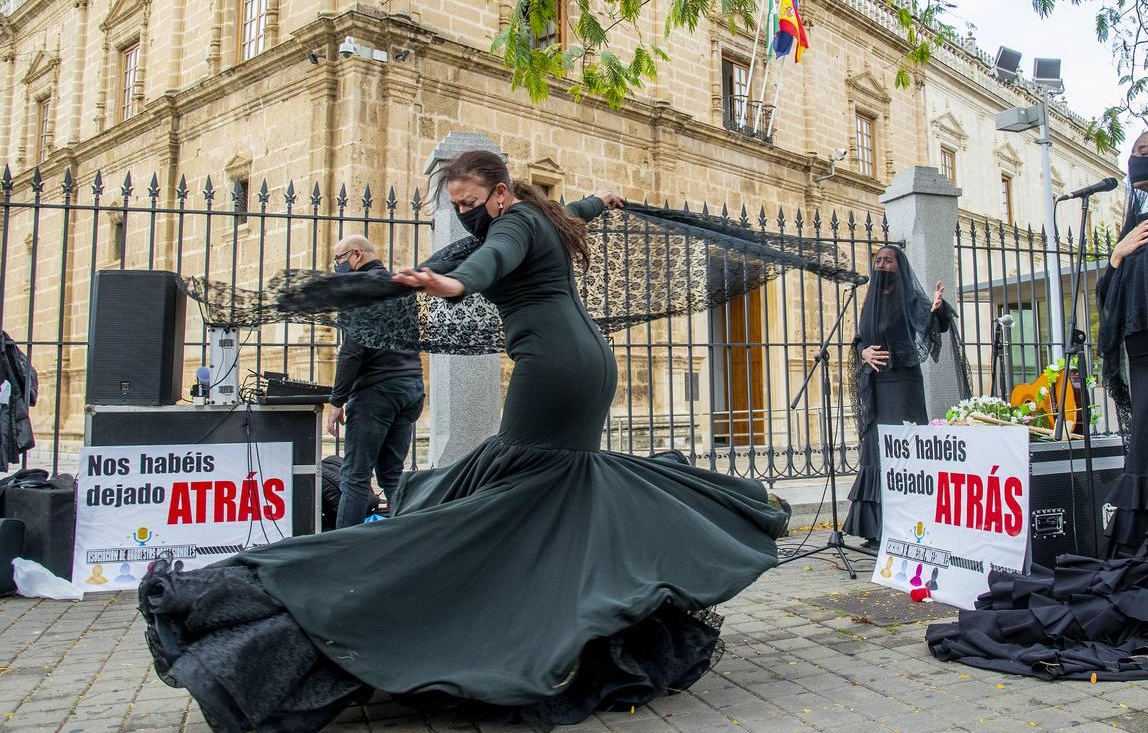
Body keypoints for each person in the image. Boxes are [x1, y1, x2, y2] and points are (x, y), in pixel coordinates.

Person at [139, 151, 791, 731]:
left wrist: (456, 284)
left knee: (504, 508)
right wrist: (602, 201)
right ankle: (558, 612)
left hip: (556, 374)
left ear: (501, 192)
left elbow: (487, 260)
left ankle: (459, 612)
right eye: (457, 208)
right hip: (583, 369)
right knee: (540, 499)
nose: (467, 216)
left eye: (471, 204)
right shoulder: (545, 216)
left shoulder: (512, 225)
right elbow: (558, 217)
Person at [926, 129, 1148, 679]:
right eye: (1133, 154)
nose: (1137, 162)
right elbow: (1112, 304)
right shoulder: (1139, 223)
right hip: (1145, 373)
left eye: (1147, 155)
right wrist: (1115, 258)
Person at [844, 244, 950, 549]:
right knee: (876, 452)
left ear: (899, 267)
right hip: (875, 388)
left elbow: (932, 323)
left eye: (887, 260)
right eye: (877, 260)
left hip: (902, 385)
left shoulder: (911, 297)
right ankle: (876, 531)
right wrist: (863, 350)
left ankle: (905, 527)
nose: (881, 265)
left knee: (902, 453)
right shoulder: (870, 300)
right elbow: (862, 337)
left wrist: (938, 309)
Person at [325, 234, 426, 528]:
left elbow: (353, 351)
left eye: (339, 260)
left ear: (356, 255)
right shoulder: (398, 287)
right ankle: (408, 537)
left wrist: (336, 400)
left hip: (376, 393)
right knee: (392, 474)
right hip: (410, 387)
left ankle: (342, 549)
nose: (338, 267)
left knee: (355, 477)